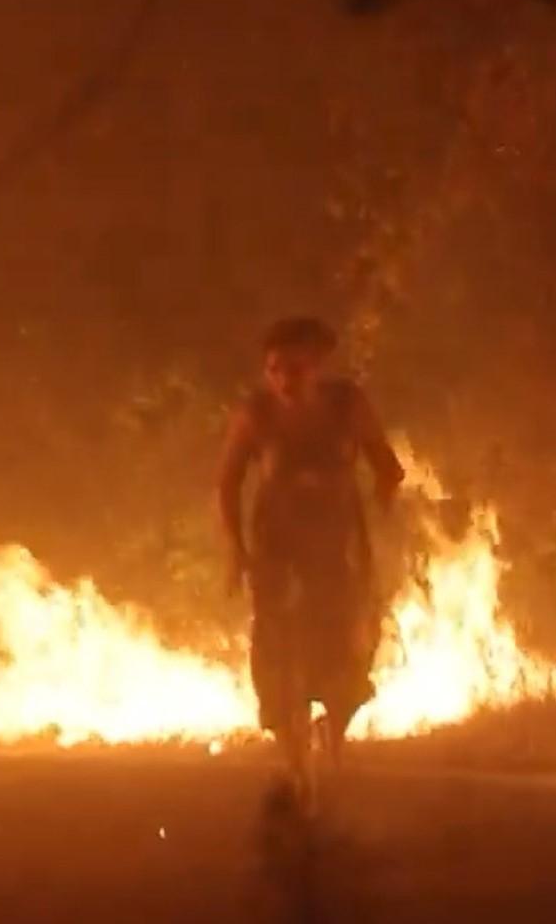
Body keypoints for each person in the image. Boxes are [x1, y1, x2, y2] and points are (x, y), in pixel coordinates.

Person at [216, 316, 404, 813]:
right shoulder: (256, 414)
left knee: (346, 641)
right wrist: (237, 549)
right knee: (276, 646)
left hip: (337, 544)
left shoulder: (346, 405)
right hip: (278, 544)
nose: (284, 380)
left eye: (295, 368)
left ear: (319, 366)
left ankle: (333, 741)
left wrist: (384, 508)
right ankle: (294, 758)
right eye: (275, 369)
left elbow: (387, 463)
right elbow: (228, 482)